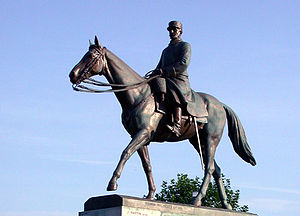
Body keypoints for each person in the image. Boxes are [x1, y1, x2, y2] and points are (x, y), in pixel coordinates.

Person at [152, 21, 196, 137]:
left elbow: (183, 63)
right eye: (170, 30)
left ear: (180, 31)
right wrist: (153, 75)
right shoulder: (165, 51)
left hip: (178, 79)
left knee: (173, 91)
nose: (172, 32)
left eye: (174, 29)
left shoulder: (185, 46)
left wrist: (165, 71)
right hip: (165, 78)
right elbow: (159, 66)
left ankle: (176, 125)